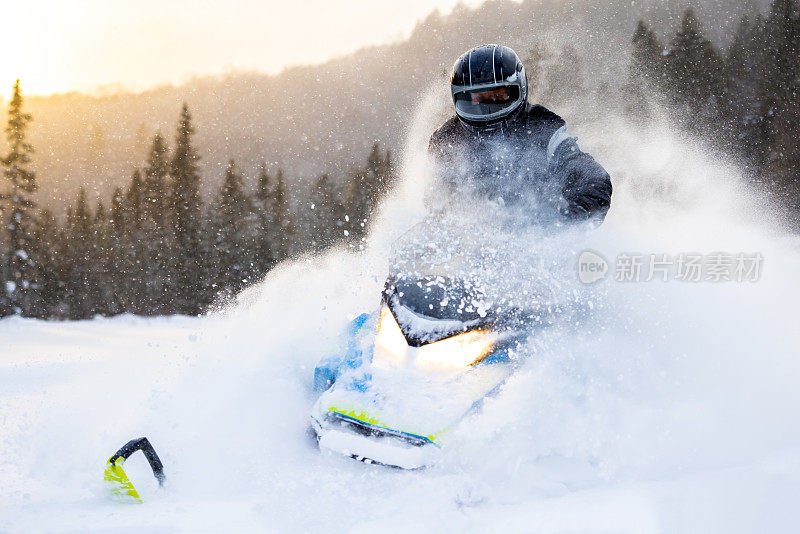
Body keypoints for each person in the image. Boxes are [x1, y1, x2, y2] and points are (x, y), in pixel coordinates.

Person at [428, 44, 612, 225]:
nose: (486, 108)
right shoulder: (446, 139)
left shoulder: (544, 129)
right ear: (460, 98)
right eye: (477, 99)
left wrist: (564, 220)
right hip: (468, 237)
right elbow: (434, 199)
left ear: (518, 88)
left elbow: (592, 179)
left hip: (537, 234)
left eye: (496, 96)